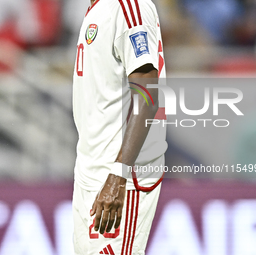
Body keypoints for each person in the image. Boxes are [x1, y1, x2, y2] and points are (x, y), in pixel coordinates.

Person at [72, 0, 167, 253]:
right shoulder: (99, 7)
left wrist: (119, 174)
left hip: (119, 177)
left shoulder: (129, 6)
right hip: (91, 172)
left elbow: (147, 98)